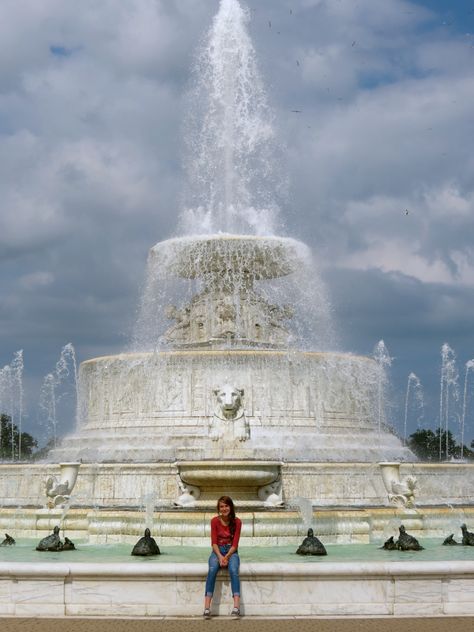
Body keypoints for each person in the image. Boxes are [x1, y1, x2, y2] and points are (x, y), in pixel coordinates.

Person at [203, 495, 242, 619]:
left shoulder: (237, 522)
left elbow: (235, 544)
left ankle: (236, 607)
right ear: (218, 508)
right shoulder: (214, 521)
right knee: (212, 569)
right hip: (217, 551)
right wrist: (220, 557)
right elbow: (214, 543)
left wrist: (227, 556)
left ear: (230, 507)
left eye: (226, 506)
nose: (224, 508)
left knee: (234, 570)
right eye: (221, 506)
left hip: (232, 551)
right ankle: (207, 608)